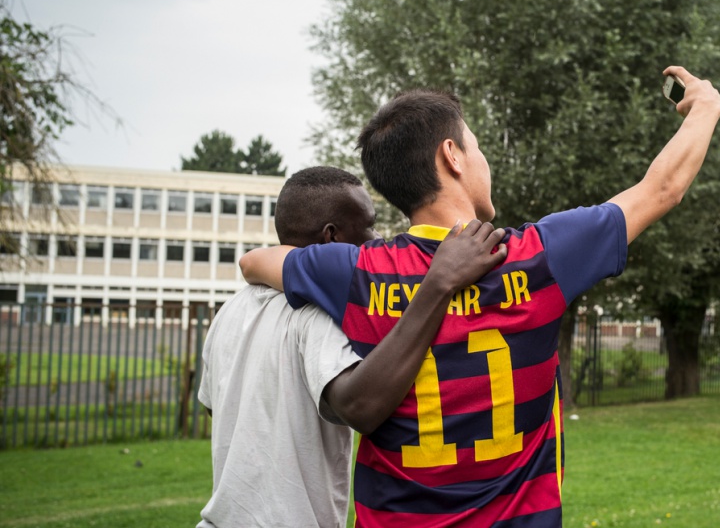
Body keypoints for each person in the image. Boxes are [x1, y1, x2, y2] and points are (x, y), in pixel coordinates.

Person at [241, 66, 720, 527]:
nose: (482, 160)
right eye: (476, 147)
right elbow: (662, 188)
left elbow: (255, 261)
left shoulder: (351, 272)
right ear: (452, 155)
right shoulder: (539, 258)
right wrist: (704, 105)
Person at [198, 166, 507, 527]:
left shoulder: (232, 309)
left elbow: (215, 408)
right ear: (331, 237)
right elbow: (359, 406)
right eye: (369, 226)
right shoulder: (317, 313)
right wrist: (437, 286)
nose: (377, 240)